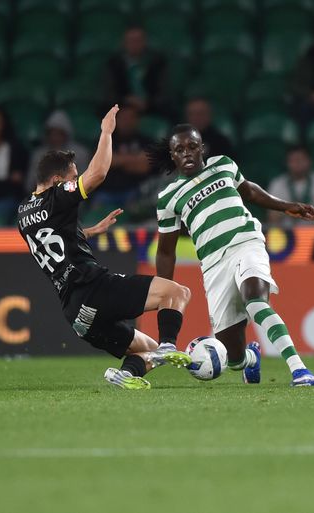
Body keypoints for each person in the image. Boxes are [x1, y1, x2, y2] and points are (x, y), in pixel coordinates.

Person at [18, 105, 192, 390]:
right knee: (177, 292)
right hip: (93, 288)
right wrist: (106, 132)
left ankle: (124, 375)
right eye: (73, 178)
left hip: (75, 313)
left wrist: (86, 232)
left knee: (145, 348)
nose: (76, 182)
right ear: (56, 181)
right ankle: (169, 345)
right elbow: (98, 172)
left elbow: (51, 240)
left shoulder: (24, 210)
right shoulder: (57, 196)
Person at [151, 124, 314, 387]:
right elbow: (165, 251)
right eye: (179, 149)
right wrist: (163, 292)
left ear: (202, 148)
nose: (187, 153)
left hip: (245, 242)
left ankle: (299, 369)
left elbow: (249, 191)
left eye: (192, 147)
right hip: (213, 264)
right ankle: (250, 358)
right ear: (172, 155)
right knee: (234, 358)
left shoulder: (223, 165)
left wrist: (287, 206)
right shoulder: (168, 198)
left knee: (255, 299)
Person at [93, 104, 153, 207]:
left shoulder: (145, 141)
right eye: (123, 118)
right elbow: (102, 164)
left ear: (137, 120)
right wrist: (135, 160)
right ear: (117, 120)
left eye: (131, 117)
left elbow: (143, 167)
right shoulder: (106, 138)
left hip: (135, 191)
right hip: (107, 192)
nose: (127, 121)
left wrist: (118, 160)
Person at [106, 25, 169, 116]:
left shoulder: (157, 62)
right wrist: (126, 101)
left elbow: (163, 90)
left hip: (152, 108)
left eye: (138, 40)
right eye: (131, 40)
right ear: (124, 43)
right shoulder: (114, 63)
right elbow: (109, 92)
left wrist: (147, 103)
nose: (134, 44)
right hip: (121, 108)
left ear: (145, 42)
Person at [267, 146, 314, 227]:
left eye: (301, 160)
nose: (297, 164)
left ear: (309, 161)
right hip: (286, 234)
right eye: (293, 160)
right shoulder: (277, 185)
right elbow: (273, 220)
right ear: (287, 163)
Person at [26, 110, 90, 192]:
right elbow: (29, 185)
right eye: (52, 133)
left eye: (59, 134)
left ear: (66, 134)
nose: (55, 137)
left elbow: (84, 185)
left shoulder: (80, 154)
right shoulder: (38, 155)